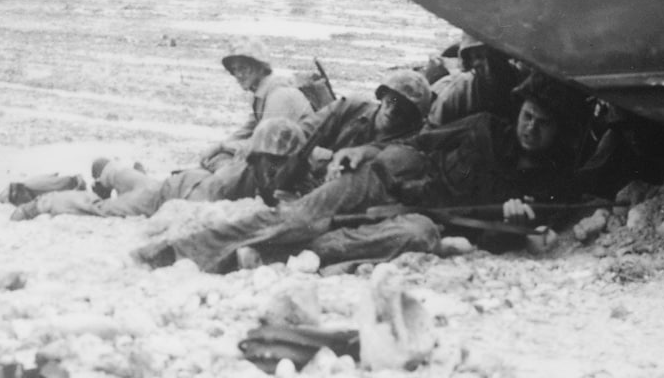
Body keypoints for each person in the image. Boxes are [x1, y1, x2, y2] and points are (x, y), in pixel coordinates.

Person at [151, 76, 589, 272]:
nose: (530, 128)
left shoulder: (547, 186)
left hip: (422, 214)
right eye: (528, 116)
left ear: (559, 131)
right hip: (384, 175)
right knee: (300, 217)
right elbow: (420, 140)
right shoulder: (485, 127)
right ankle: (182, 250)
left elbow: (491, 239)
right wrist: (363, 150)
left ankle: (298, 254)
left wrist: (511, 225)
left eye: (543, 123)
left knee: (419, 238)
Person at [10, 118, 308, 221]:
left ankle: (110, 170)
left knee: (144, 185)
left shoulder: (288, 174)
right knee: (105, 208)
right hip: (171, 195)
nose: (275, 170)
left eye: (282, 162)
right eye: (270, 161)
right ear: (256, 159)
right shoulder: (228, 183)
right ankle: (42, 202)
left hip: (182, 181)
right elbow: (189, 214)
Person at [289, 69, 433, 186]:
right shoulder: (351, 107)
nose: (392, 111)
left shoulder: (411, 144)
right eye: (391, 101)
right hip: (308, 178)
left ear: (413, 118)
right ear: (382, 97)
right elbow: (303, 132)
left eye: (403, 108)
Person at [196, 45, 312, 169]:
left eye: (243, 68)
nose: (238, 75)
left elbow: (266, 145)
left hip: (297, 163)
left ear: (260, 67)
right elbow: (246, 130)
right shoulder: (262, 94)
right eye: (234, 70)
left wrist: (222, 147)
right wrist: (219, 148)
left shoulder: (279, 95)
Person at [427, 37, 524, 126]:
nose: (488, 67)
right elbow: (430, 134)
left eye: (493, 56)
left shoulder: (522, 83)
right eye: (479, 57)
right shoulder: (456, 92)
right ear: (470, 62)